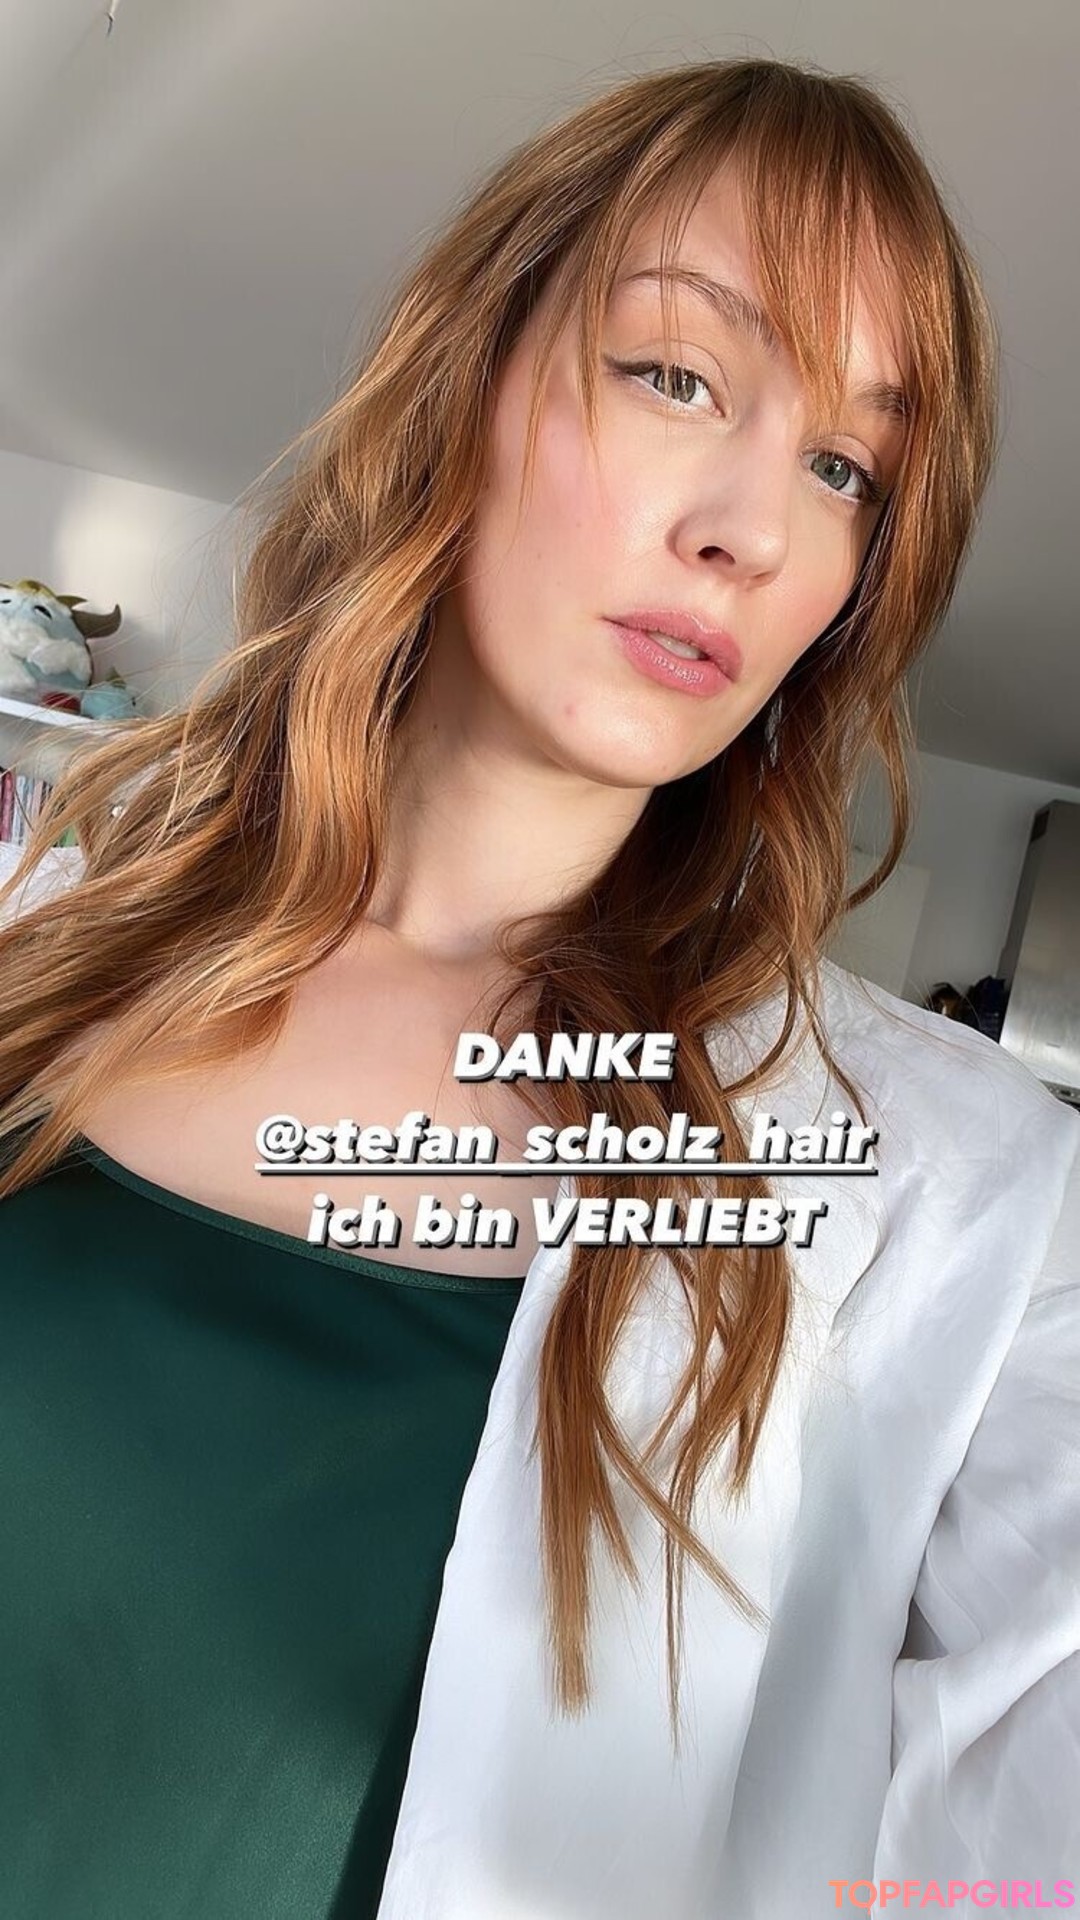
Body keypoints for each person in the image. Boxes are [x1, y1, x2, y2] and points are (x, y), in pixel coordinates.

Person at [1, 53, 1077, 1920]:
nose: (754, 527)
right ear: (471, 373)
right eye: (680, 374)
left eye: (845, 469)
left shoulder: (956, 1194)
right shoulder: (56, 934)